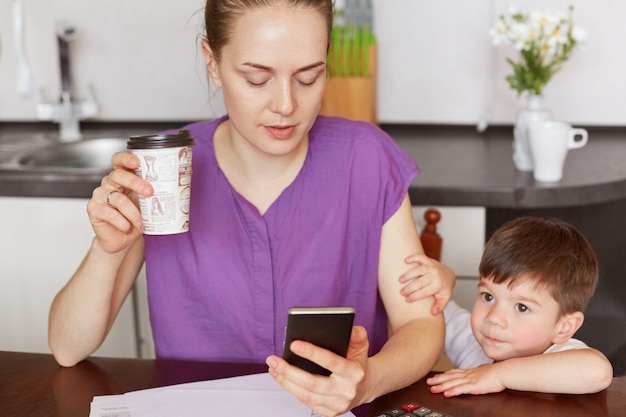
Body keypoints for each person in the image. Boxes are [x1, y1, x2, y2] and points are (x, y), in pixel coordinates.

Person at [48, 1, 456, 416]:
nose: (285, 104)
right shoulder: (164, 170)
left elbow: (420, 324)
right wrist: (106, 250)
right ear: (212, 62)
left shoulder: (366, 159)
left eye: (308, 77)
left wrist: (368, 381)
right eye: (257, 79)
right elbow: (67, 348)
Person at [401, 216, 613, 396]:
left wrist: (498, 375)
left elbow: (597, 371)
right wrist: (443, 278)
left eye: (522, 307)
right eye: (488, 296)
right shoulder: (471, 341)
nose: (493, 317)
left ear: (564, 327)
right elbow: (434, 307)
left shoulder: (560, 353)